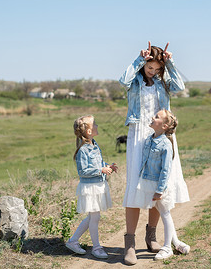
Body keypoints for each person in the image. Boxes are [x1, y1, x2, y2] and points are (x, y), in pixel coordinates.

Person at [119, 42, 190, 265]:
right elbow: (123, 79)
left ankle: (151, 236)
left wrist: (170, 63)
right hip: (140, 134)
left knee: (160, 184)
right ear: (145, 64)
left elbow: (180, 86)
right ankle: (129, 244)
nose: (154, 72)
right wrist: (139, 60)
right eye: (151, 67)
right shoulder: (135, 81)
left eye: (158, 69)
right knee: (136, 186)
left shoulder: (164, 81)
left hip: (163, 136)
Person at [133, 109, 190, 260]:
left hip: (160, 185)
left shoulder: (165, 144)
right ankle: (176, 242)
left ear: (164, 126)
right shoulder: (149, 139)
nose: (153, 117)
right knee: (163, 212)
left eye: (157, 117)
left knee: (165, 214)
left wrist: (159, 190)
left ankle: (167, 248)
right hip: (149, 182)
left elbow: (166, 170)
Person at [65, 115, 118, 259]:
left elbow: (97, 163)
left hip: (98, 185)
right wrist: (100, 170)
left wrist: (107, 166)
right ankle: (96, 248)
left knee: (93, 217)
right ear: (88, 131)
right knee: (94, 217)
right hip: (90, 188)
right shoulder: (83, 150)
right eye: (94, 124)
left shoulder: (94, 144)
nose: (97, 126)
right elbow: (83, 171)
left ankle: (73, 241)